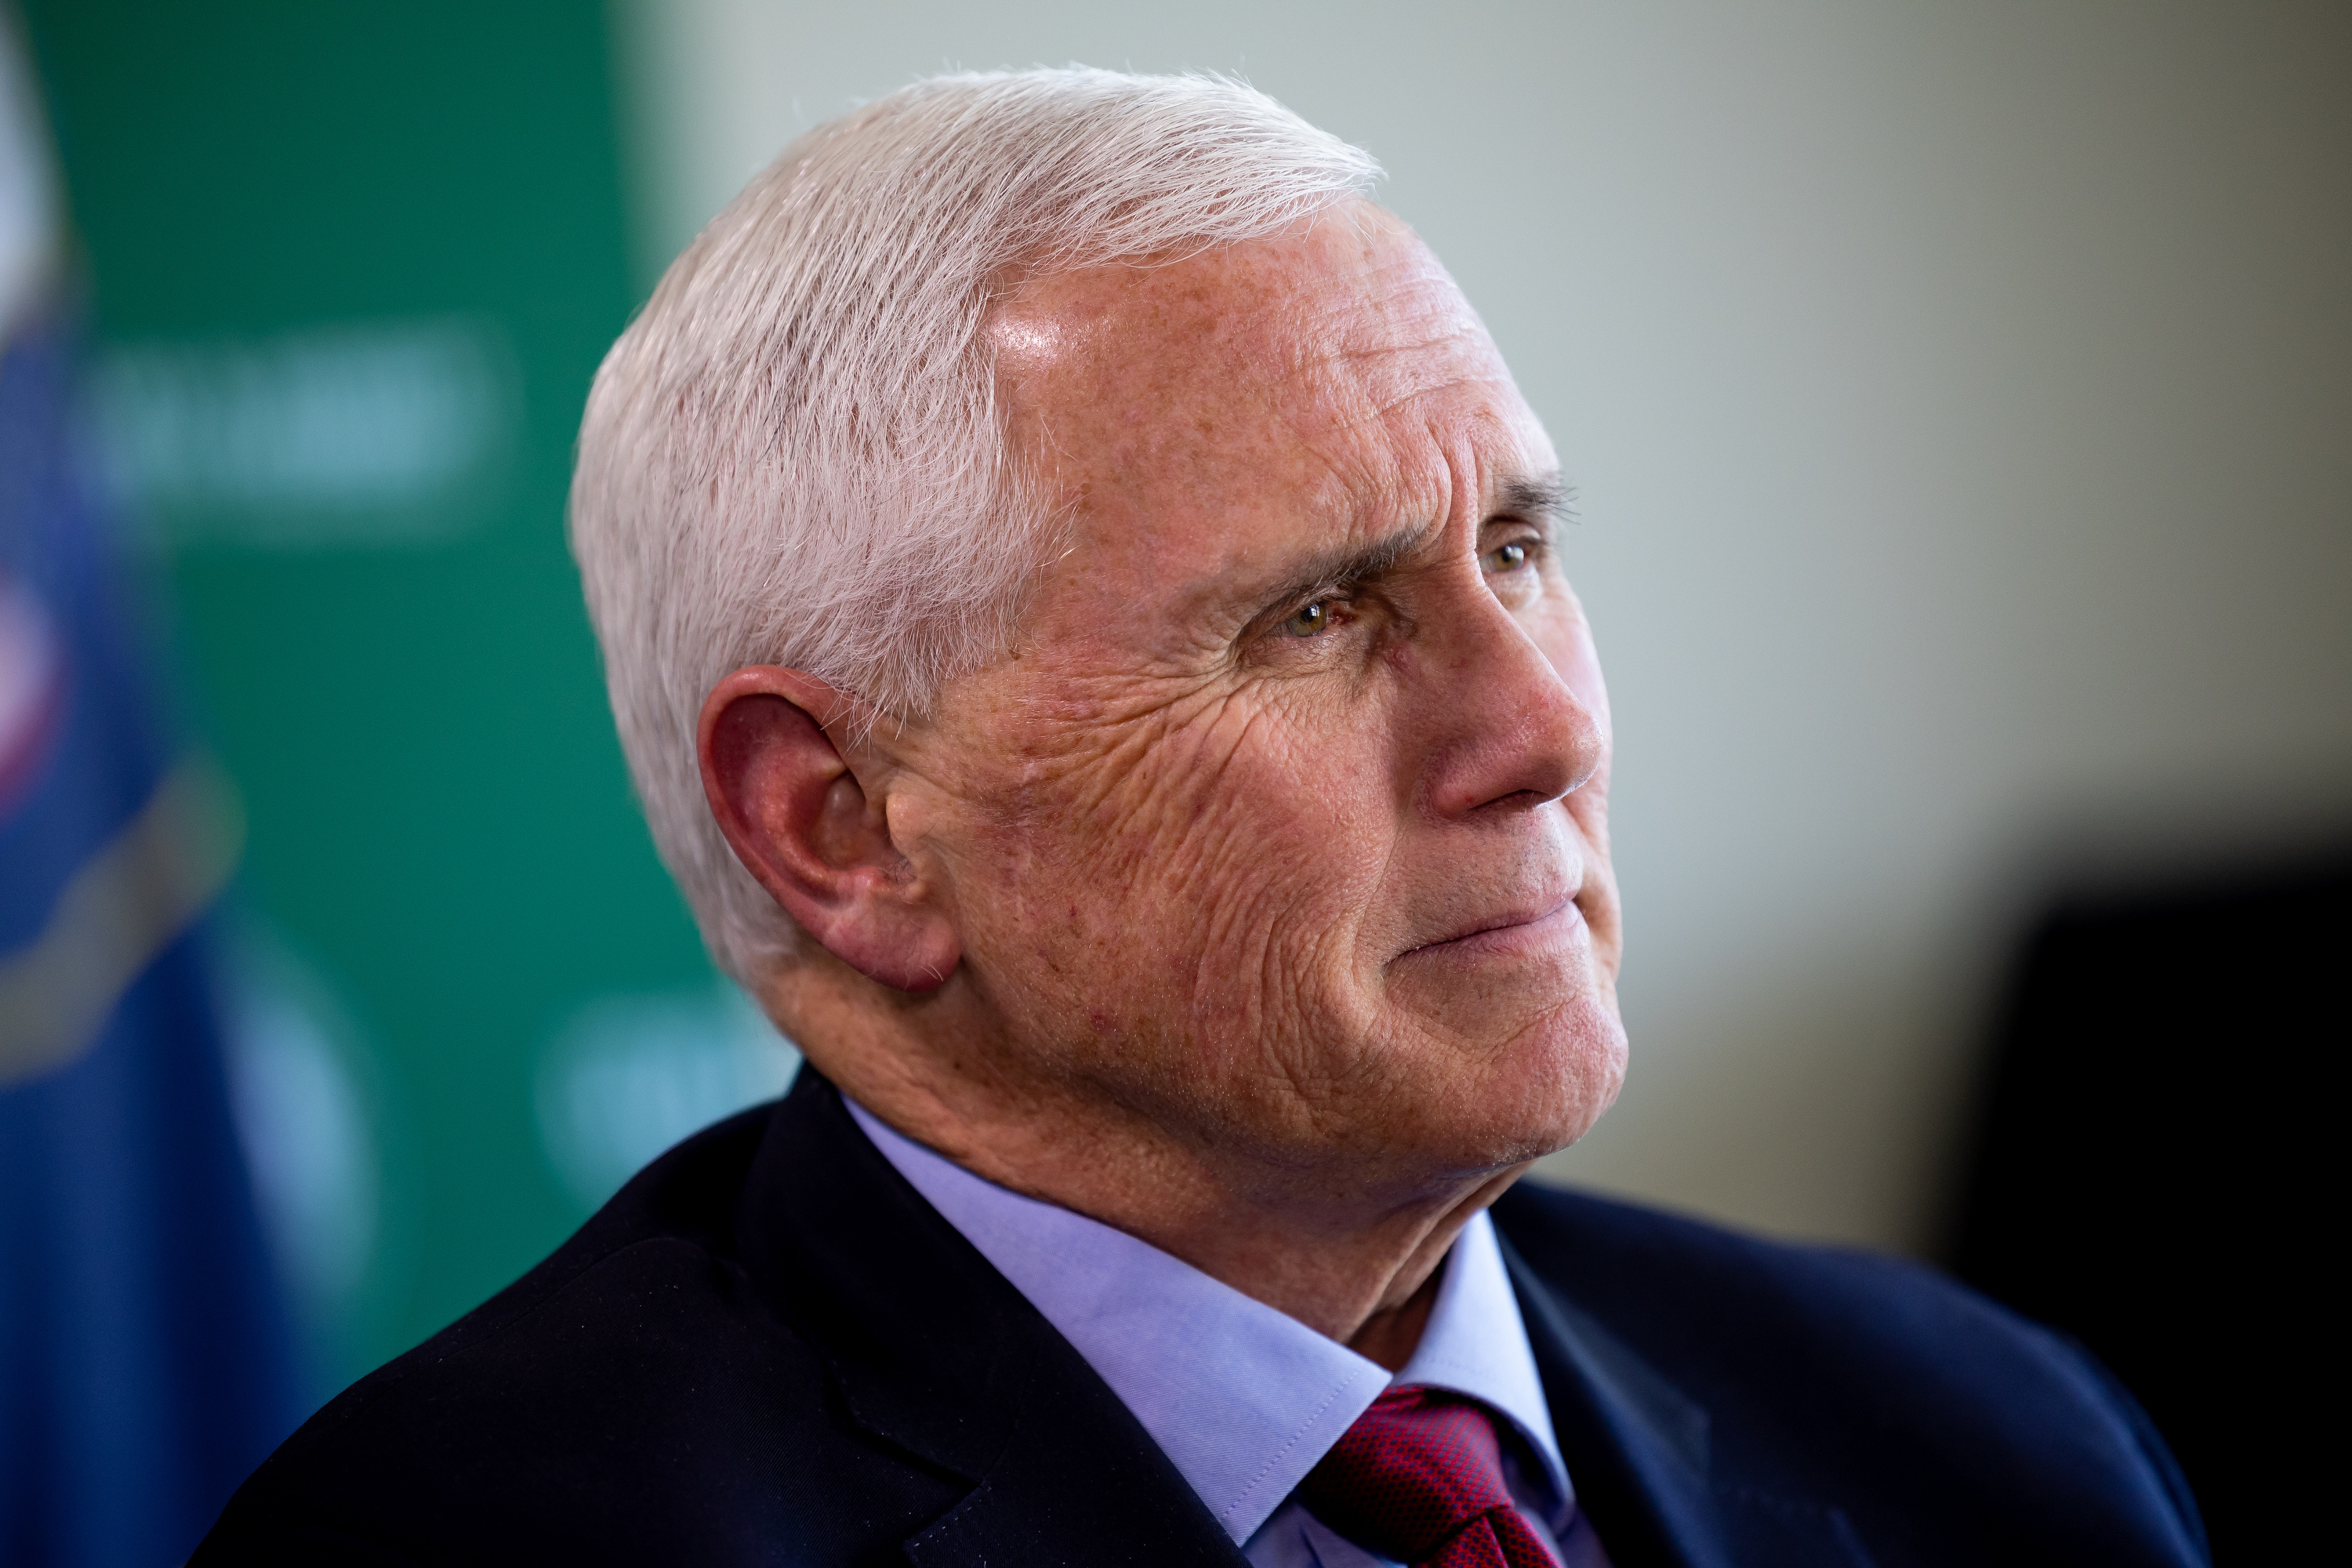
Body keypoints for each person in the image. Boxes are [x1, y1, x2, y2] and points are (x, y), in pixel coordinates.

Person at [194, 70, 2207, 1568]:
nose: (1537, 730)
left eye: (1516, 548)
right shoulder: (460, 1540)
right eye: (1318, 613)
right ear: (849, 827)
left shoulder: (1987, 1440)